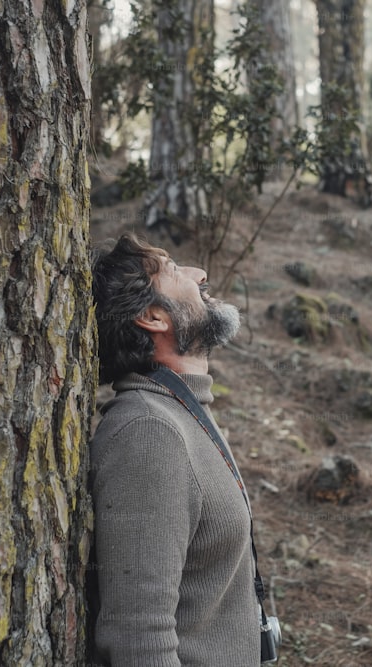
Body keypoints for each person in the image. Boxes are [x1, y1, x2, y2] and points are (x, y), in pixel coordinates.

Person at [88, 234, 262, 666]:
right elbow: (139, 636)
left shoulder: (180, 411)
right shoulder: (149, 431)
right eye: (173, 271)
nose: (199, 274)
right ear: (152, 316)